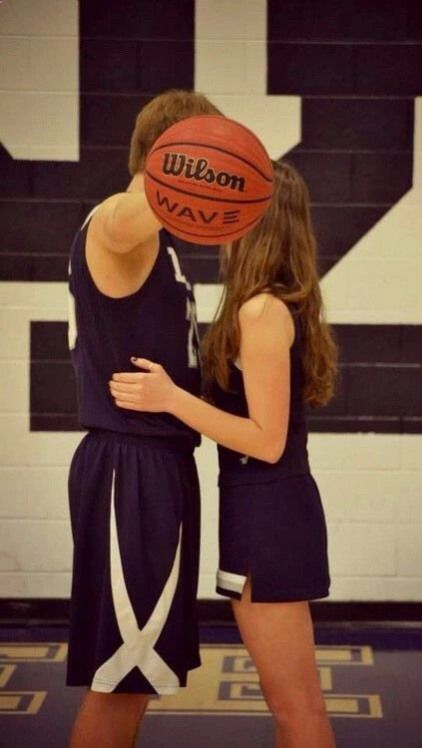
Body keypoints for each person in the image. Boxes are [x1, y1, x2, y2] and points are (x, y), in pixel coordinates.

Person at [109, 160, 339, 748]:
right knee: (293, 705)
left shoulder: (261, 311)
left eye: (237, 207)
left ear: (260, 220)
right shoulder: (269, 303)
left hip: (269, 515)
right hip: (261, 510)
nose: (222, 218)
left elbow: (266, 439)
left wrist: (170, 397)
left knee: (297, 711)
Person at [66, 90, 221, 748]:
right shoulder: (119, 223)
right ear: (177, 156)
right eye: (209, 161)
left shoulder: (166, 250)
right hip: (129, 466)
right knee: (122, 678)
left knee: (137, 680)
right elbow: (117, 221)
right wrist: (192, 174)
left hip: (157, 467)